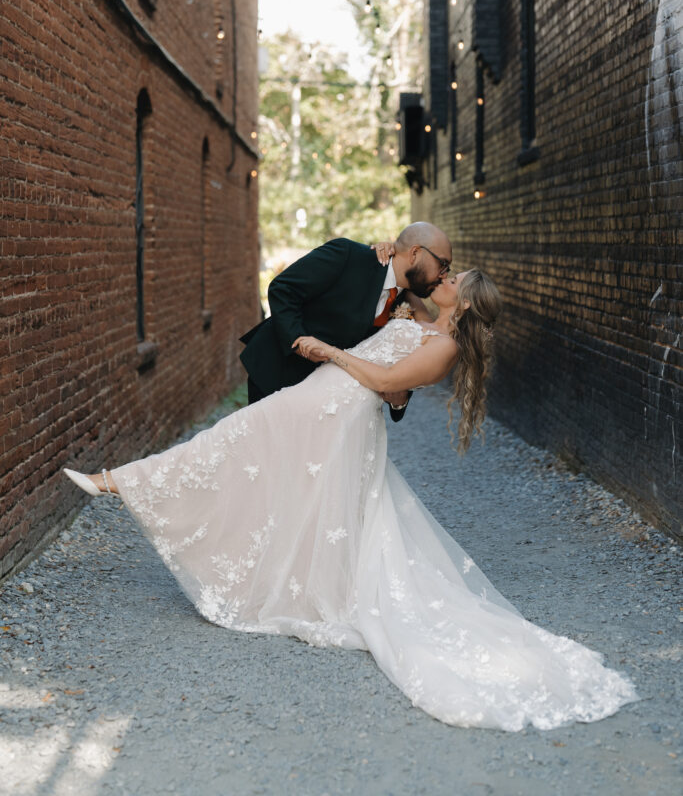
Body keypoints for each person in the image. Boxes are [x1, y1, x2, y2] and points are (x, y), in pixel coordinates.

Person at [63, 269, 637, 731]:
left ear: (463, 303)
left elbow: (387, 384)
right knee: (243, 456)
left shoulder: (443, 348)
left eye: (454, 279)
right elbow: (397, 276)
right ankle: (133, 485)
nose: (447, 276)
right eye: (448, 271)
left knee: (235, 445)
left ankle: (122, 481)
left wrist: (331, 352)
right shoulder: (416, 316)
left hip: (334, 415)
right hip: (321, 405)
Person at [239, 221, 453, 421]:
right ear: (415, 253)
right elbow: (283, 289)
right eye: (442, 264)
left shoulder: (407, 307)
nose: (443, 275)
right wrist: (298, 341)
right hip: (277, 374)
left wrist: (399, 401)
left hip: (326, 403)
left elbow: (398, 372)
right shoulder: (348, 255)